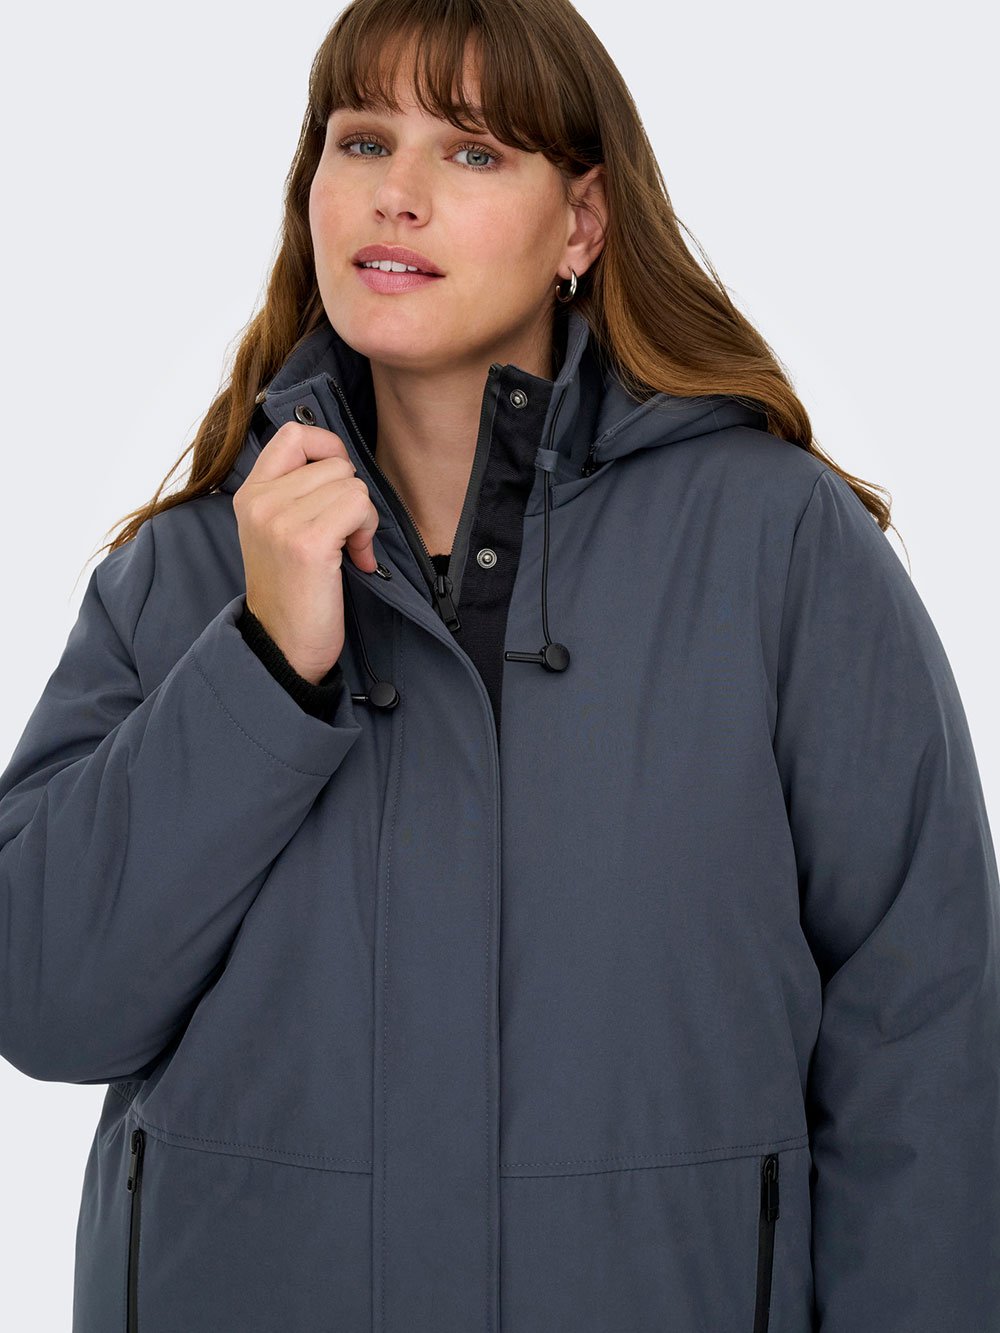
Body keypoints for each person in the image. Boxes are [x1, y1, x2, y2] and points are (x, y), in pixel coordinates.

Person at [1, 0, 998, 1329]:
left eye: (473, 151)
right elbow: (47, 1001)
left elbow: (925, 1035)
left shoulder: (778, 550)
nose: (397, 194)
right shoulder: (185, 571)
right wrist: (262, 666)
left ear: (580, 224)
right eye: (363, 141)